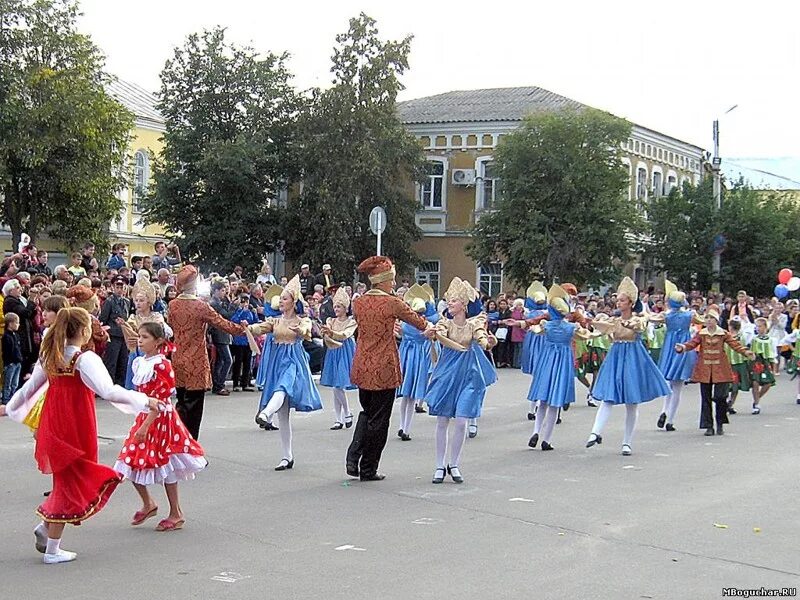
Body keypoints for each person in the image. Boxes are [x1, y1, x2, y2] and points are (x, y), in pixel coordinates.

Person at [0, 308, 160, 564]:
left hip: (54, 421)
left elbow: (29, 389)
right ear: (84, 331)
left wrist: (9, 408)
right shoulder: (84, 359)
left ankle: (45, 528)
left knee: (67, 477)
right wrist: (145, 400)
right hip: (76, 423)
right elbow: (109, 391)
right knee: (73, 479)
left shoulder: (51, 355)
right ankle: (52, 549)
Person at [113, 322, 206, 532]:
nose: (141, 340)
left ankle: (176, 513)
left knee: (166, 464)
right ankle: (148, 504)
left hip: (160, 419)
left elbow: (162, 400)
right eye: (140, 336)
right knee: (129, 461)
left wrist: (145, 425)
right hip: (145, 416)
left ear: (158, 341)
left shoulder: (162, 365)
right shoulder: (140, 362)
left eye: (145, 337)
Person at [345, 256, 428, 481]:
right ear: (383, 280)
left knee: (366, 411)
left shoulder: (359, 302)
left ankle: (353, 457)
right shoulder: (392, 302)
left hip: (362, 364)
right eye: (391, 280)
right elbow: (418, 320)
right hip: (383, 366)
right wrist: (432, 328)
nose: (393, 284)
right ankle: (368, 468)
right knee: (379, 420)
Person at [586, 277, 670, 456]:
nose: (618, 302)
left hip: (633, 358)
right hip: (615, 358)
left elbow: (639, 326)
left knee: (631, 402)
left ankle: (627, 442)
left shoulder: (639, 318)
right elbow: (598, 330)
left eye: (622, 300)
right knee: (608, 396)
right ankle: (595, 432)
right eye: (618, 299)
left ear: (631, 303)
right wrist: (588, 323)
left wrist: (628, 323)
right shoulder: (613, 320)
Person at [424, 278, 496, 483]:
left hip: (468, 374)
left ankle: (453, 464)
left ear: (464, 305)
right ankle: (439, 465)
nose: (449, 304)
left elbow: (482, 339)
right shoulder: (444, 323)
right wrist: (434, 335)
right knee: (442, 419)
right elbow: (441, 335)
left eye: (453, 301)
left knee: (462, 420)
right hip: (447, 373)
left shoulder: (474, 324)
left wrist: (489, 342)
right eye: (448, 300)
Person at [250, 276, 322, 470]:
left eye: (284, 298)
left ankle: (265, 413)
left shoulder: (302, 320)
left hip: (293, 360)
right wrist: (247, 328)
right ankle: (287, 455)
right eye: (280, 298)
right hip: (277, 361)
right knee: (283, 415)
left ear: (293, 302)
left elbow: (307, 330)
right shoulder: (274, 320)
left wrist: (301, 330)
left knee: (282, 388)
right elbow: (260, 328)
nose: (280, 301)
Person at [167, 266, 246, 440]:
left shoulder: (172, 305)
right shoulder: (200, 306)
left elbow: (171, 327)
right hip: (195, 360)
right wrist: (244, 329)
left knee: (181, 403)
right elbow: (222, 324)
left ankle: (177, 442)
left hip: (178, 358)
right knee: (194, 409)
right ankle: (190, 448)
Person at [675, 305, 753, 435]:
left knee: (720, 397)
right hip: (705, 370)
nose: (709, 320)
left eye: (711, 318)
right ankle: (708, 426)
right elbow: (692, 343)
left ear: (716, 320)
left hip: (720, 370)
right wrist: (682, 347)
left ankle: (720, 423)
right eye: (707, 318)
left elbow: (735, 344)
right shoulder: (702, 334)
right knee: (705, 398)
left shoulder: (723, 333)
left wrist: (746, 352)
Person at [526, 285, 586, 452]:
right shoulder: (570, 327)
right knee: (555, 403)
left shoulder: (547, 325)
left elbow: (534, 329)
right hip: (562, 362)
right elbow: (587, 334)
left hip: (547, 360)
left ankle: (536, 431)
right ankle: (547, 439)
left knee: (542, 400)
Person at [651, 280, 698, 432]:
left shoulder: (666, 316)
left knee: (669, 383)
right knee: (678, 386)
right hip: (684, 347)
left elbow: (652, 318)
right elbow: (703, 320)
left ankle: (664, 410)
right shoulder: (690, 315)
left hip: (669, 347)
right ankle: (670, 420)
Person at [396, 285, 439, 441]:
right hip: (413, 355)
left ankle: (404, 427)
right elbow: (424, 334)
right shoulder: (419, 324)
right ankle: (404, 427)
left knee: (408, 395)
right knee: (409, 394)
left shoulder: (410, 324)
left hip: (410, 355)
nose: (419, 315)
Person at [119, 278, 172, 390]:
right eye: (136, 300)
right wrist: (125, 327)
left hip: (153, 353)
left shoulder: (157, 317)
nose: (138, 303)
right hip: (136, 353)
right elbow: (129, 338)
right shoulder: (132, 318)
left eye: (141, 300)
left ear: (149, 302)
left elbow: (161, 334)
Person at [320, 287, 357, 430]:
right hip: (333, 351)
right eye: (335, 306)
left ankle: (347, 413)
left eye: (339, 306)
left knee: (339, 385)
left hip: (345, 350)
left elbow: (345, 334)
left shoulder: (351, 321)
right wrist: (325, 332)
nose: (336, 309)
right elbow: (327, 334)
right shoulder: (331, 320)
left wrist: (332, 332)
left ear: (345, 308)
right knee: (335, 385)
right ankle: (338, 418)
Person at [99, 276, 131, 386]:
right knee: (111, 362)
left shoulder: (127, 302)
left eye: (122, 287)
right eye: (117, 287)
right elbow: (103, 319)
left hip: (124, 336)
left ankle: (121, 384)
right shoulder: (109, 302)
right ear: (113, 287)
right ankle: (109, 385)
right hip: (113, 335)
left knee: (123, 361)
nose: (120, 289)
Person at [209, 279, 235, 395]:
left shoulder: (219, 302)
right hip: (219, 334)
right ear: (216, 291)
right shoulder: (214, 303)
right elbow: (226, 315)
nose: (225, 292)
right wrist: (234, 306)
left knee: (220, 361)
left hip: (223, 334)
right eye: (223, 290)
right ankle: (219, 384)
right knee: (227, 360)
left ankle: (217, 384)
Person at [230, 293, 259, 392]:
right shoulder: (237, 311)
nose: (245, 304)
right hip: (239, 340)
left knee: (247, 362)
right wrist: (241, 311)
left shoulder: (250, 311)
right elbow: (234, 320)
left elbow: (255, 321)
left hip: (248, 340)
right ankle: (235, 383)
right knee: (238, 362)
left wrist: (254, 313)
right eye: (243, 302)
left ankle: (245, 382)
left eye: (246, 301)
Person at [749, 317, 776, 414]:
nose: (758, 328)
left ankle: (758, 397)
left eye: (760, 326)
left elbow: (773, 353)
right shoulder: (754, 339)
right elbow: (751, 351)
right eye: (757, 326)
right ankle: (756, 404)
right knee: (755, 383)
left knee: (768, 383)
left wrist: (773, 367)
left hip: (766, 362)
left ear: (765, 327)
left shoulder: (771, 339)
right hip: (757, 362)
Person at [2, 313, 23, 404]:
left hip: (17, 362)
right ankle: (6, 399)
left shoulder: (15, 335)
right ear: (10, 324)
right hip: (11, 363)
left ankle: (12, 398)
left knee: (15, 383)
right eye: (16, 323)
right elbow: (7, 351)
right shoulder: (6, 336)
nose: (18, 325)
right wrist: (8, 362)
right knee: (8, 383)